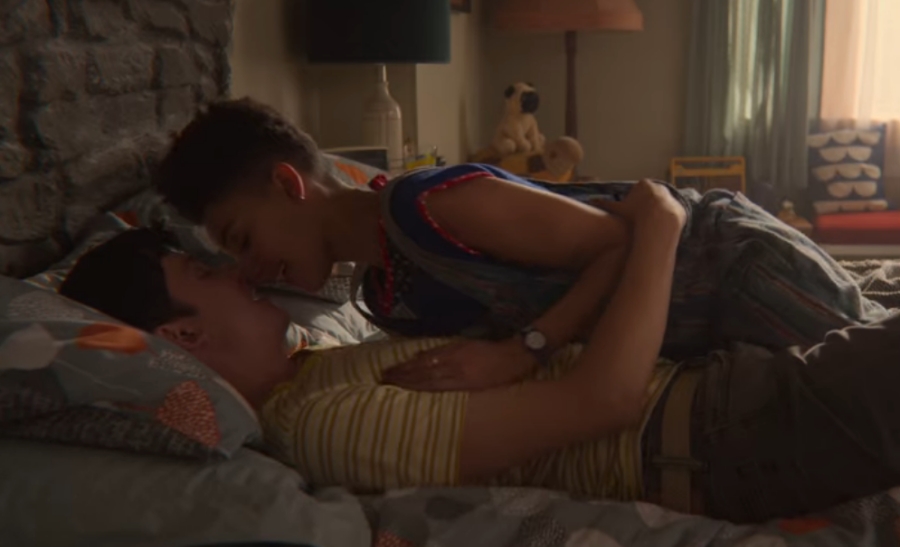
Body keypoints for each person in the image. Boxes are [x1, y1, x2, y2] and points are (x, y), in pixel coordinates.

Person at [59, 190, 900, 525]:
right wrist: (663, 227)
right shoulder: (320, 422)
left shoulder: (327, 357)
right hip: (727, 434)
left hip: (730, 386)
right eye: (211, 274)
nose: (243, 276)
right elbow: (603, 403)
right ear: (183, 338)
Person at [150, 98, 889, 392]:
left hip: (730, 267)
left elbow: (619, 245)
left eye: (241, 239)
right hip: (703, 334)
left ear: (288, 184)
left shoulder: (428, 205)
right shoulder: (381, 293)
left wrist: (527, 349)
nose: (250, 270)